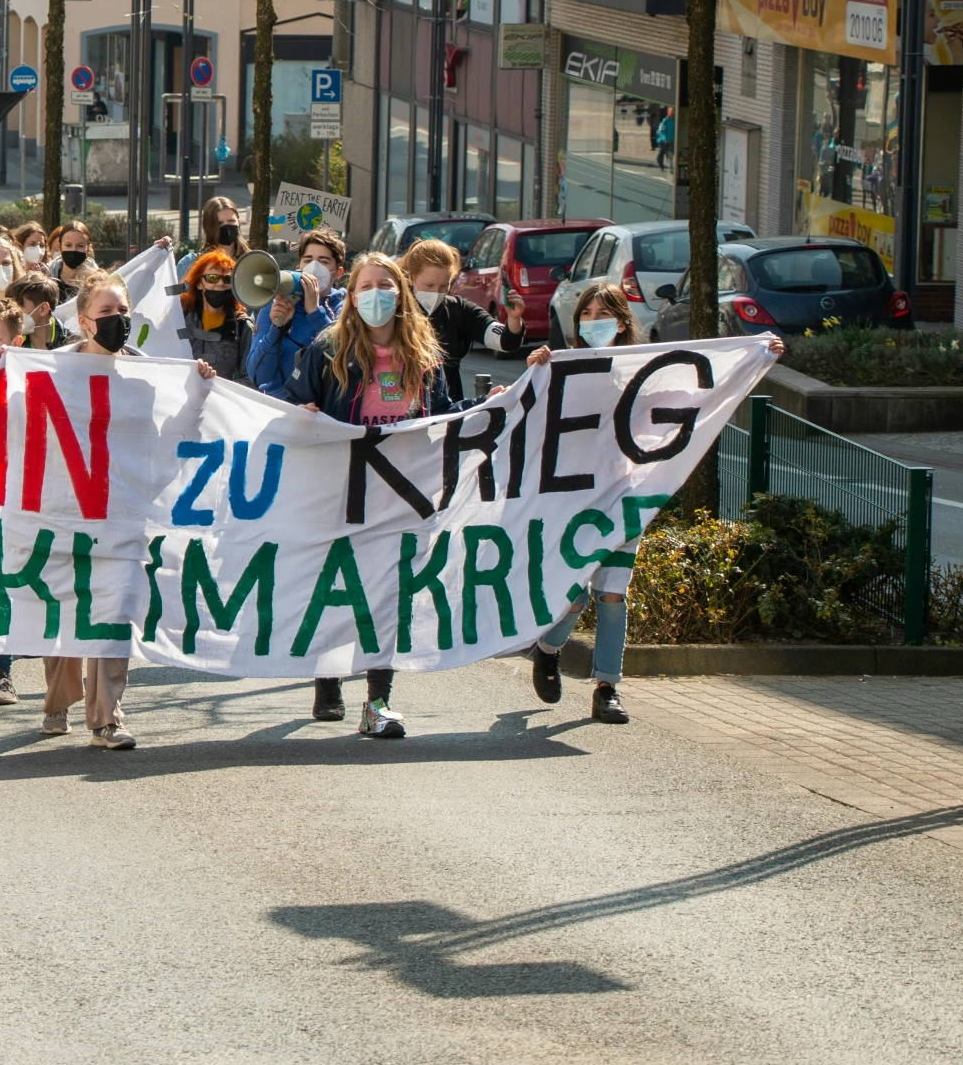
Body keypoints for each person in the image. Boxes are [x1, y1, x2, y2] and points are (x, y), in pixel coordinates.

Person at [519, 289, 785, 724]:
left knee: (611, 593)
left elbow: (698, 390)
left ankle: (607, 687)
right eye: (586, 313)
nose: (592, 321)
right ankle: (548, 648)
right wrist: (532, 373)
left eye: (603, 314)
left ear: (622, 322)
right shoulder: (562, 366)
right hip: (572, 500)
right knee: (572, 595)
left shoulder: (645, 370)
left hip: (624, 497)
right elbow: (530, 417)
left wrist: (757, 353)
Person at [31, 274, 215, 747]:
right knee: (68, 612)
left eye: (123, 312)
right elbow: (13, 426)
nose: (117, 321)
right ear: (83, 320)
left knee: (114, 611)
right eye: (107, 313)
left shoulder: (147, 377)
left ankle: (107, 716)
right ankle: (57, 700)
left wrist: (197, 396)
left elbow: (162, 446)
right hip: (63, 509)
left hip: (121, 512)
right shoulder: (48, 370)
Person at [295, 252, 456, 735]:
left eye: (385, 285)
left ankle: (378, 703)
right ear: (353, 296)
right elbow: (292, 402)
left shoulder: (424, 355)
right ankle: (327, 680)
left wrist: (490, 405)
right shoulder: (328, 350)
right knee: (338, 589)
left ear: (401, 292)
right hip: (341, 491)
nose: (375, 294)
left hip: (399, 497)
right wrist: (301, 412)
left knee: (388, 598)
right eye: (365, 286)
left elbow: (445, 413)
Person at [402, 236, 523, 402]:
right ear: (411, 277)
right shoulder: (394, 309)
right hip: (400, 413)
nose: (437, 292)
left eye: (444, 286)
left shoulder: (459, 310)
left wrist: (514, 319)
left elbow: (506, 341)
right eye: (429, 286)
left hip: (448, 412)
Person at [247, 228, 346, 400]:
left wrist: (315, 312)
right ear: (298, 267)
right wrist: (276, 328)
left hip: (325, 414)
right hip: (281, 409)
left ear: (338, 272)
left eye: (323, 261)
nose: (314, 267)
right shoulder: (275, 303)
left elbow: (343, 359)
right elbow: (257, 375)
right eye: (308, 260)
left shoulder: (344, 309)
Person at [178, 248, 253, 380]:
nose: (220, 284)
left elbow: (249, 377)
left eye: (227, 279)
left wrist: (213, 387)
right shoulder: (179, 318)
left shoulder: (242, 327)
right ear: (199, 284)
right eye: (212, 278)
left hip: (220, 399)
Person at [8, 274, 68, 348]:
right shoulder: (12, 344)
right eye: (11, 306)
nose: (12, 311)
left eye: (19, 306)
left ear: (43, 309)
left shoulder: (72, 343)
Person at [48, 220, 101, 303]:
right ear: (60, 247)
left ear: (88, 249)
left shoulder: (98, 284)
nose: (74, 250)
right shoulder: (45, 278)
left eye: (80, 246)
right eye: (68, 245)